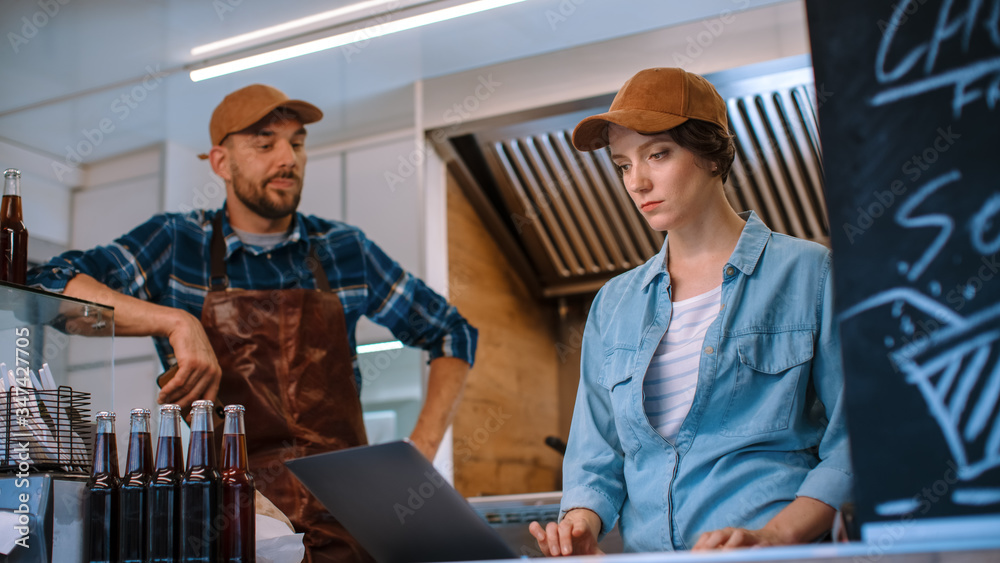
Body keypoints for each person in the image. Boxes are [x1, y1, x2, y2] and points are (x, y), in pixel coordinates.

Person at [27, 84, 477, 563]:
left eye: (297, 143)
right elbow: (47, 289)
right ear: (221, 162)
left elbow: (452, 332)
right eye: (265, 143)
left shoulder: (344, 249)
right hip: (240, 520)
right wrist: (174, 320)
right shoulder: (178, 243)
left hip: (352, 522)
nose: (288, 158)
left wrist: (420, 450)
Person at [528, 68, 852, 554]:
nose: (636, 182)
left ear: (711, 154)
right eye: (621, 165)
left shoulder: (812, 275)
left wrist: (775, 536)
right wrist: (580, 525)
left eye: (657, 154)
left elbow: (855, 440)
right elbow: (596, 460)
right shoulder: (613, 305)